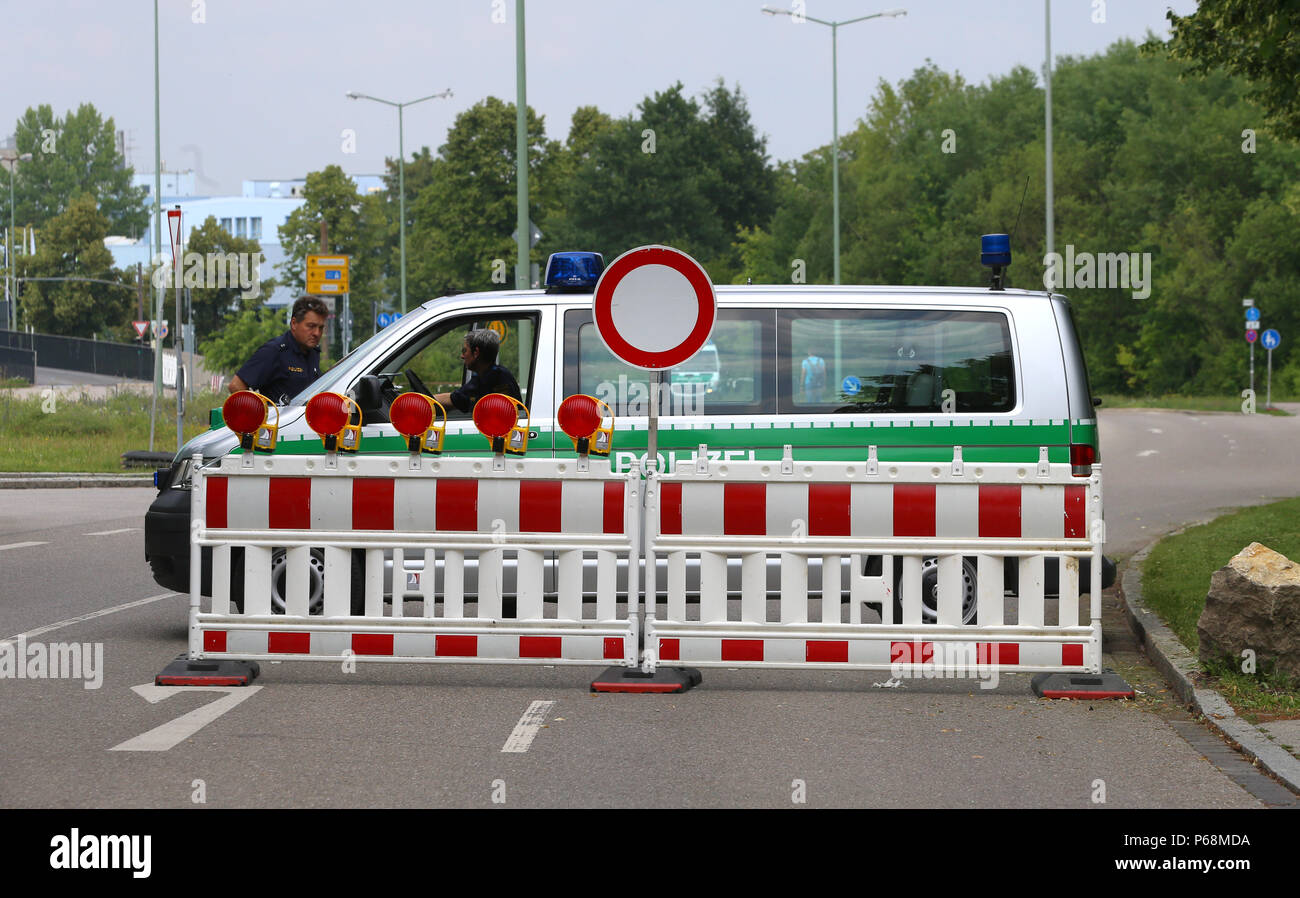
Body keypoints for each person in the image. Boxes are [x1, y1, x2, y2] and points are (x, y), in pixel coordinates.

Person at [228, 296, 328, 405]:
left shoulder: (313, 352)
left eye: (320, 328)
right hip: (280, 421)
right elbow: (236, 385)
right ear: (294, 323)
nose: (317, 333)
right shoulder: (274, 351)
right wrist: (259, 414)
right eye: (311, 326)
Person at [433, 328, 521, 413]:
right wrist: (425, 398)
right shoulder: (481, 377)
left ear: (476, 352)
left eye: (464, 351)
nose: (462, 356)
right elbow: (455, 398)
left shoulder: (499, 380)